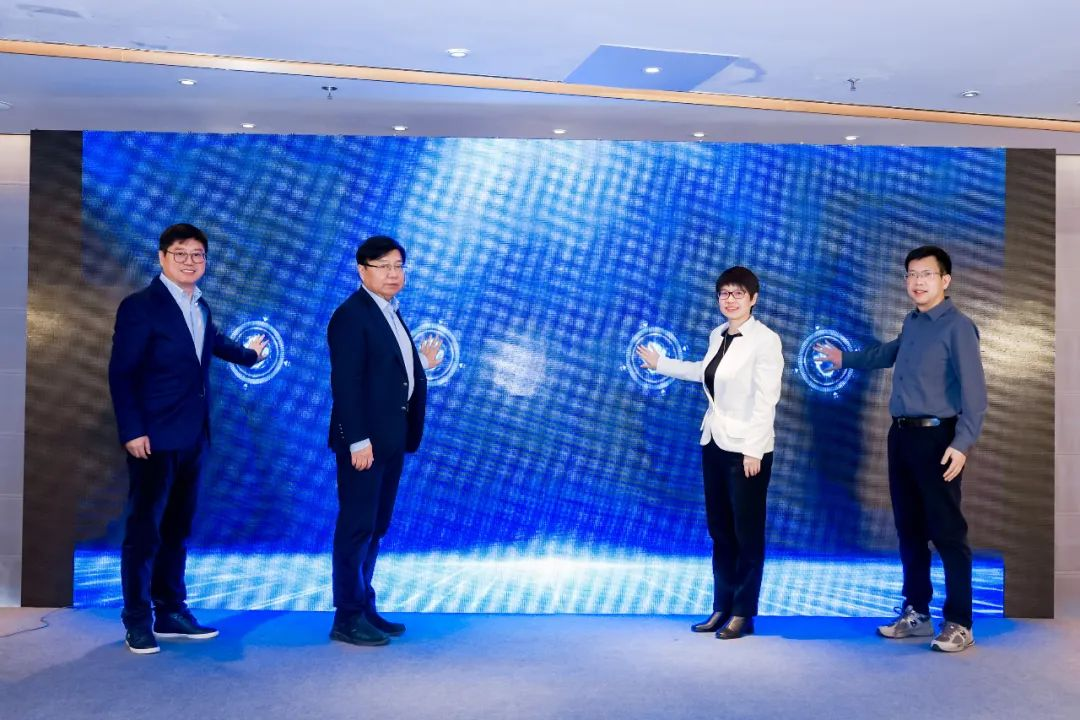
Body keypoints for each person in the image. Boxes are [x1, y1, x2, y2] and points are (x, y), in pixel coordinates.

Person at [815, 245, 987, 653]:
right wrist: (844, 359)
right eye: (911, 274)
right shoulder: (913, 323)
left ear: (945, 280)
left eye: (926, 274)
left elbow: (976, 395)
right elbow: (886, 353)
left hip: (938, 440)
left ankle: (960, 622)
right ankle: (917, 613)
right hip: (903, 437)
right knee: (910, 530)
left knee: (947, 532)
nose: (917, 281)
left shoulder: (959, 327)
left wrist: (962, 444)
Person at [108, 223, 267, 655]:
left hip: (193, 436)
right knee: (144, 532)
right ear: (162, 258)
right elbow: (121, 374)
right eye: (180, 253)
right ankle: (137, 620)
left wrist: (250, 355)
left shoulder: (200, 305)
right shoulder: (140, 307)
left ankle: (171, 612)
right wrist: (132, 429)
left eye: (197, 254)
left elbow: (212, 343)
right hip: (153, 438)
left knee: (177, 530)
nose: (190, 261)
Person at [638, 266, 783, 639]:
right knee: (720, 531)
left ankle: (743, 612)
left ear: (753, 298)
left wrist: (753, 450)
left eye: (738, 293)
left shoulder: (765, 340)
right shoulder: (717, 334)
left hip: (747, 451)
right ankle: (722, 606)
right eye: (724, 294)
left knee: (747, 534)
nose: (730, 300)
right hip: (714, 442)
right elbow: (705, 371)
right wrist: (661, 364)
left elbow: (766, 400)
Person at [326, 235, 441, 646]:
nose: (393, 274)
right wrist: (357, 440)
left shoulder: (390, 311)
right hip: (365, 445)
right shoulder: (351, 315)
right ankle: (346, 617)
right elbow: (346, 383)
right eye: (383, 266)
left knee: (375, 527)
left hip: (391, 440)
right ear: (362, 270)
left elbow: (388, 370)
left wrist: (421, 364)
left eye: (398, 266)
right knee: (356, 528)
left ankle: (364, 606)